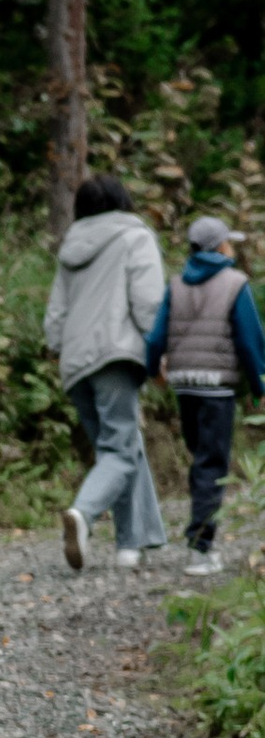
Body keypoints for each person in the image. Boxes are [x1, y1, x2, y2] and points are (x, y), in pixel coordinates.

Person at [46, 174, 167, 570]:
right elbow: (148, 301)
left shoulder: (71, 246)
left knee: (118, 451)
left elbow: (56, 313)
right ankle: (83, 514)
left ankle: (131, 545)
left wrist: (56, 349)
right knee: (119, 450)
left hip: (75, 361)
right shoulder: (135, 236)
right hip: (115, 354)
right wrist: (160, 349)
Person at [146, 212, 264, 576]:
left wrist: (155, 371)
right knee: (213, 464)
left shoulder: (177, 283)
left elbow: (155, 338)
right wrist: (260, 386)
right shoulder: (234, 282)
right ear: (220, 246)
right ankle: (201, 548)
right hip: (216, 387)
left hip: (184, 384)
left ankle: (200, 537)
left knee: (201, 459)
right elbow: (249, 341)